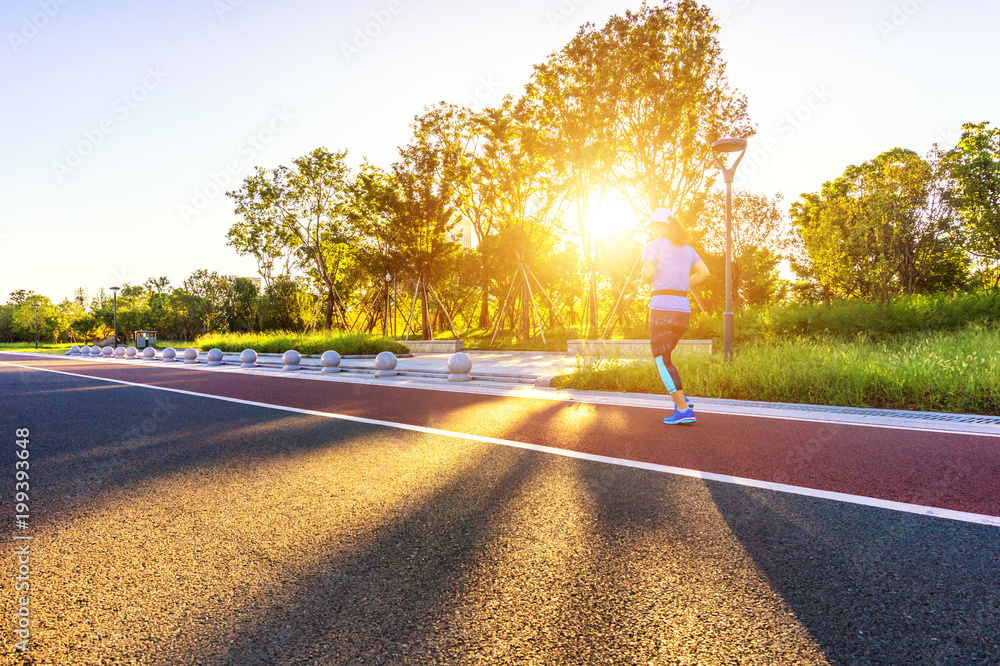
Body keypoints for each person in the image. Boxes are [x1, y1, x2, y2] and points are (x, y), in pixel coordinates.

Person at [641, 207, 710, 425]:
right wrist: (682, 285)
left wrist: (646, 278)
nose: (652, 230)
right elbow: (705, 273)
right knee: (667, 357)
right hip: (683, 311)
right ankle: (683, 400)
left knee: (661, 360)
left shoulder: (653, 246)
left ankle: (682, 409)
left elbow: (647, 274)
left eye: (653, 226)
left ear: (660, 226)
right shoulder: (688, 250)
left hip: (662, 309)